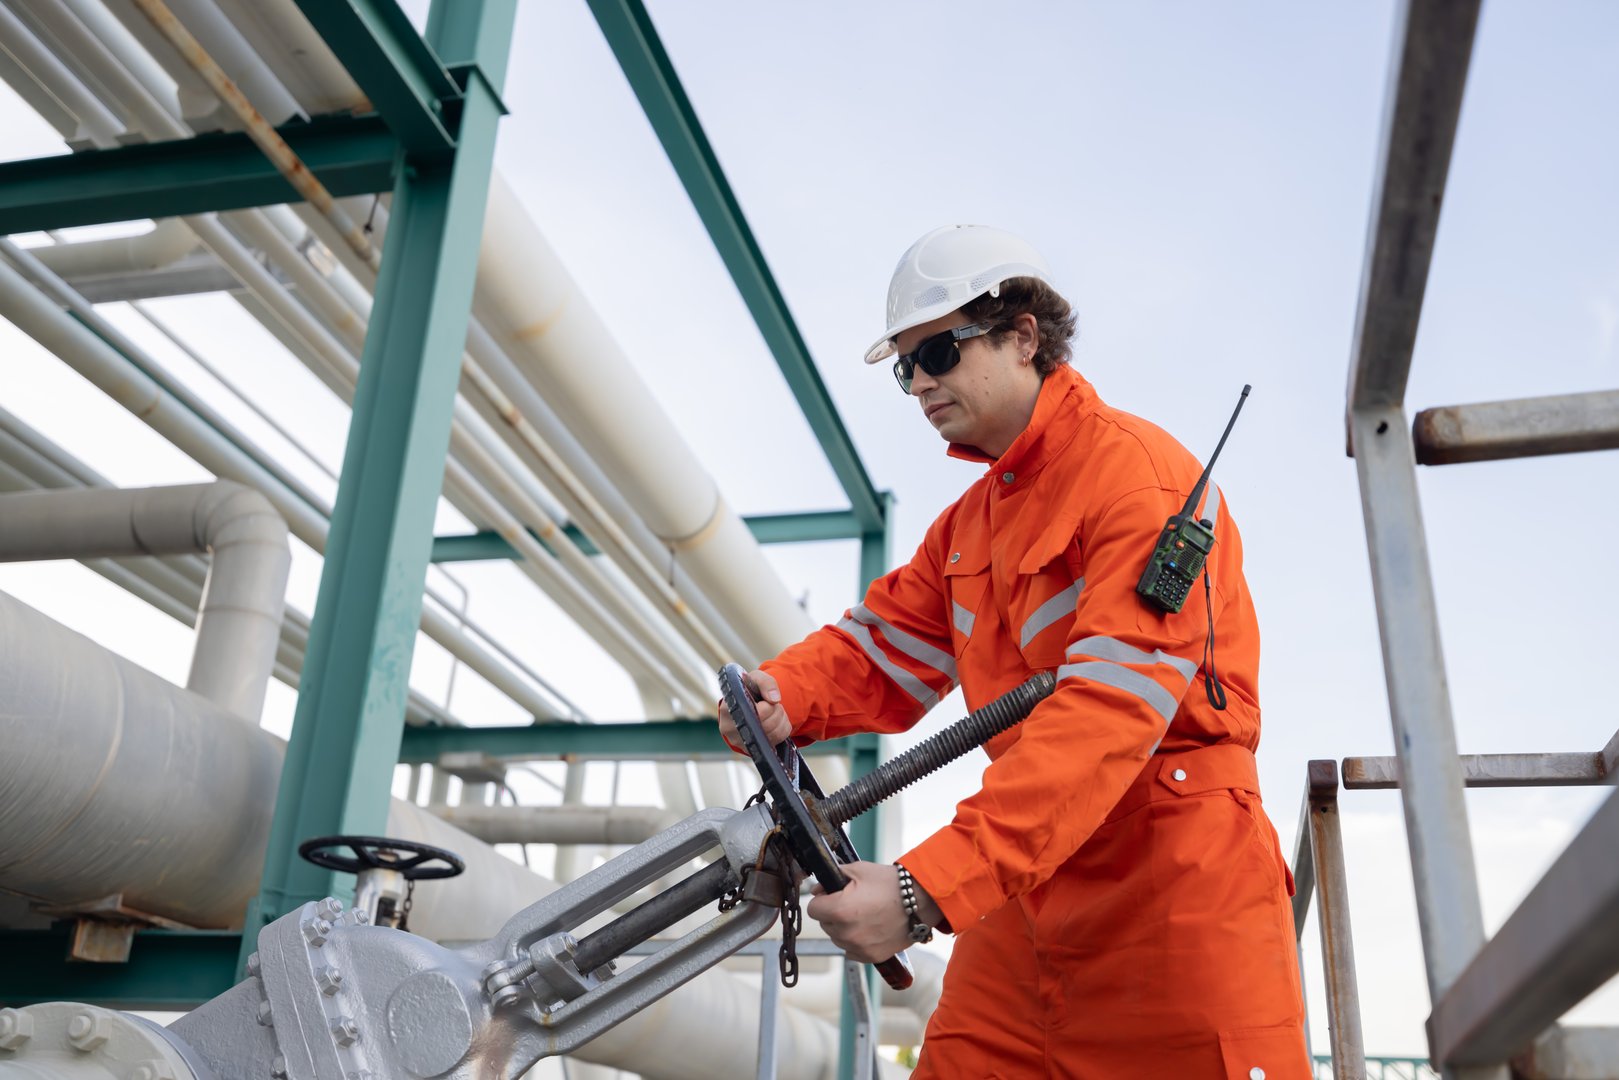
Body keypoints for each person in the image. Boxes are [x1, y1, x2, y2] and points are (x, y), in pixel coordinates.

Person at [719, 225, 1310, 1078]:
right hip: (1030, 895)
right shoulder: (969, 526)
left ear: (1022, 335)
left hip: (1173, 886)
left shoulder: (1137, 480)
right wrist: (784, 692)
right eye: (904, 366)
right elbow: (882, 648)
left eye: (939, 352)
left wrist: (924, 893)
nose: (920, 381)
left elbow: (1109, 716)